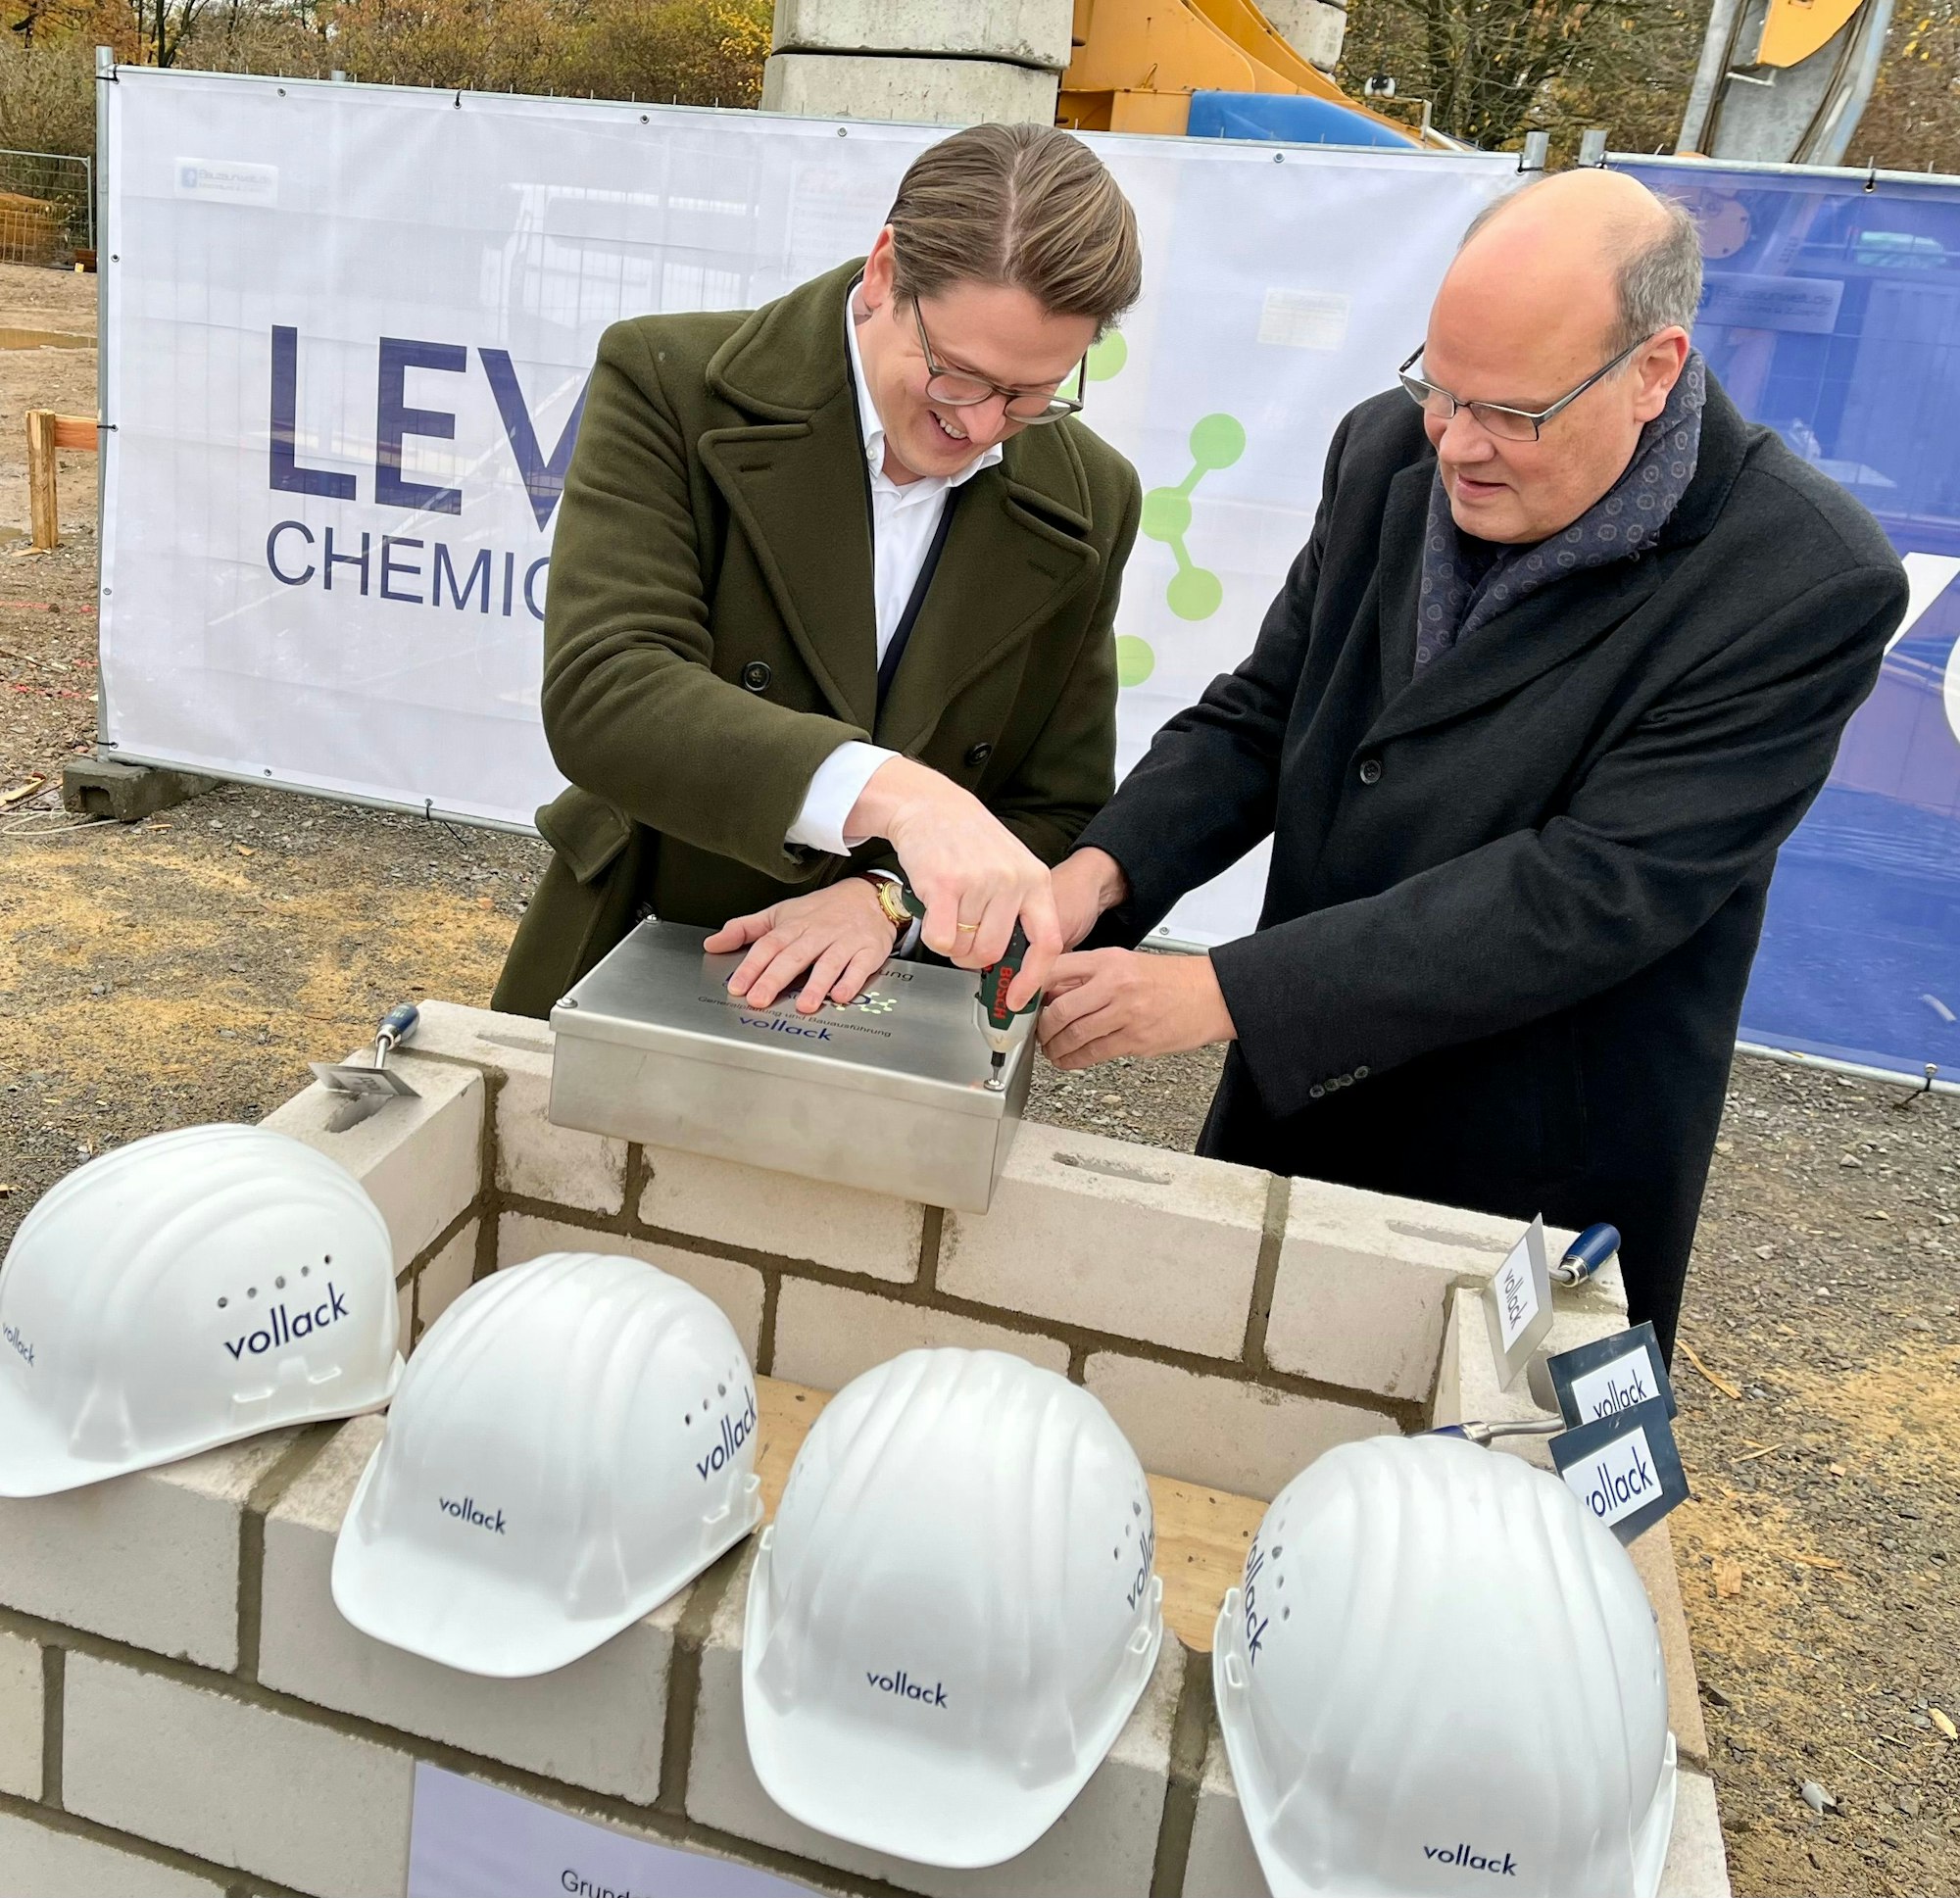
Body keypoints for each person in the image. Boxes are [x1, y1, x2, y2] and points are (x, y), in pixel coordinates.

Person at [1037, 170, 1907, 1360]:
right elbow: (1263, 712)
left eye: (1512, 413)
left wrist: (1231, 992)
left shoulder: (1799, 577)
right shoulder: (1382, 449)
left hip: (1532, 1154)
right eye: (1439, 390)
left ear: (1653, 369)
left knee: (1472, 1520)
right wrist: (1101, 871)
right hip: (1305, 1105)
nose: (1458, 444)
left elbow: (1591, 888)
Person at [493, 123, 1143, 1022]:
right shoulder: (671, 384)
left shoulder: (1092, 494)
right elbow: (609, 693)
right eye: (959, 376)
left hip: (896, 1009)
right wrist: (905, 800)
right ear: (884, 272)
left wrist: (886, 896)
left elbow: (1057, 803)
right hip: (638, 950)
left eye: (1034, 395)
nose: (986, 426)